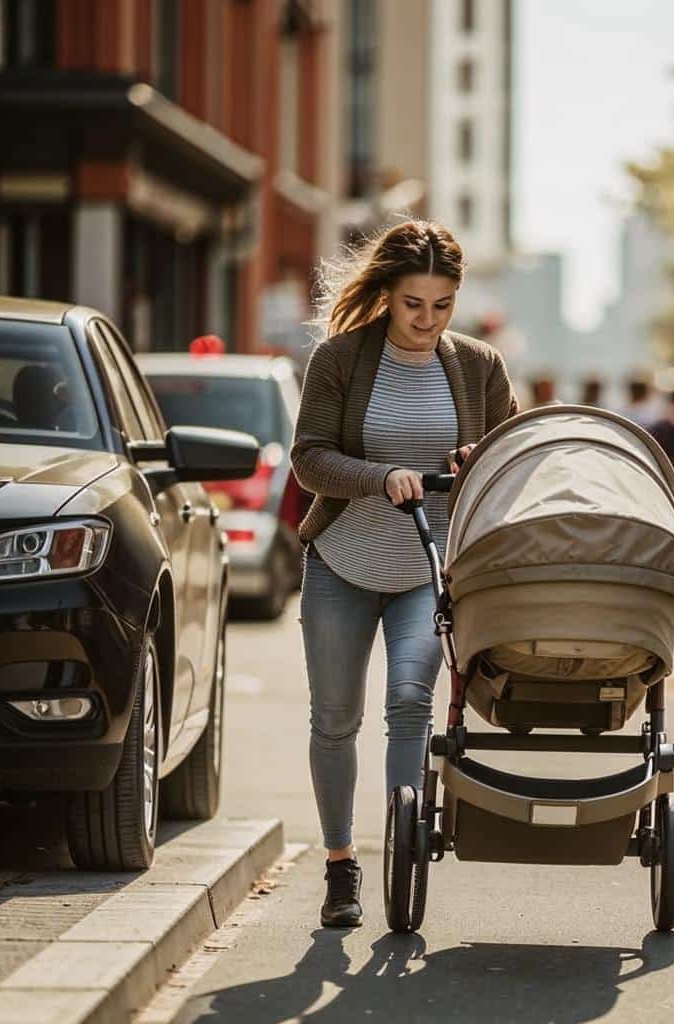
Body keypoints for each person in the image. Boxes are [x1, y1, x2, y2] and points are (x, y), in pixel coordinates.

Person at [290, 220, 519, 929]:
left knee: (410, 704)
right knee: (334, 720)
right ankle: (339, 864)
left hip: (430, 562)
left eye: (442, 304)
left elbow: (513, 455)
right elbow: (309, 458)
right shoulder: (340, 359)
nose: (427, 320)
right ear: (387, 295)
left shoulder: (478, 365)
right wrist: (379, 476)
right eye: (413, 304)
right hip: (344, 561)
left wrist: (480, 454)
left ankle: (402, 852)